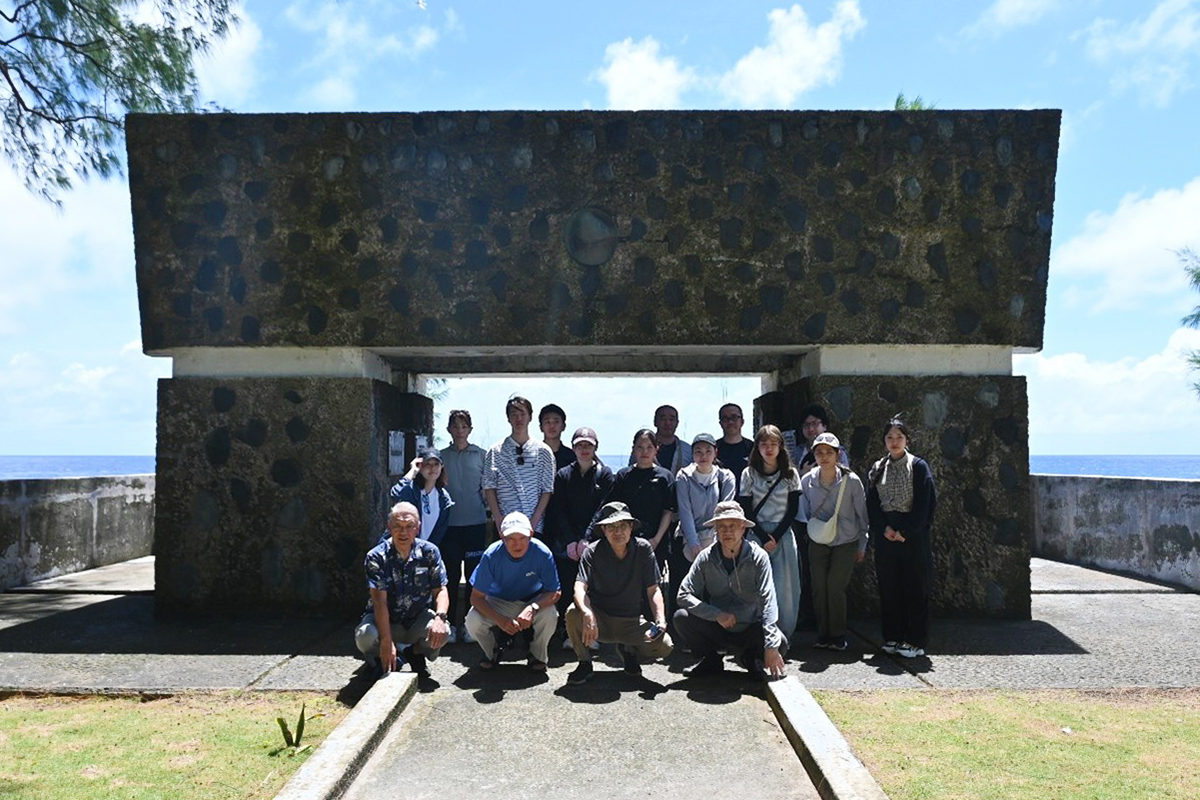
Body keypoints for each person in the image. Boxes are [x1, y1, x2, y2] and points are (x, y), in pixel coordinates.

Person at [674, 501, 786, 681]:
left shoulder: (759, 558)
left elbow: (768, 601)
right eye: (722, 526)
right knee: (681, 617)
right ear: (715, 530)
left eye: (733, 525)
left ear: (743, 528)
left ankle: (751, 659)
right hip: (717, 626)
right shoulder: (705, 557)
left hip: (750, 626)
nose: (727, 531)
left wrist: (771, 646)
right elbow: (684, 594)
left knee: (781, 644)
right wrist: (716, 614)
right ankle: (711, 660)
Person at [566, 502, 673, 684]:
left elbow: (653, 589)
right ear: (604, 530)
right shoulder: (592, 551)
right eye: (612, 527)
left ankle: (629, 652)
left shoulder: (643, 548)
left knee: (664, 646)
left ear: (631, 527)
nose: (618, 532)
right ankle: (584, 662)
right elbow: (579, 586)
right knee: (573, 613)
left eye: (623, 525)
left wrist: (660, 619)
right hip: (600, 619)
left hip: (631, 620)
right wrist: (587, 611)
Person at [866, 417, 937, 659]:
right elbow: (872, 502)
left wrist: (906, 532)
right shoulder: (878, 468)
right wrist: (883, 528)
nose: (894, 442)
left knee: (916, 588)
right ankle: (893, 637)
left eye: (899, 437)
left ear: (907, 439)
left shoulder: (918, 467)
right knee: (890, 588)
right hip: (886, 534)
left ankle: (915, 640)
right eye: (889, 437)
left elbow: (926, 505)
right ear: (884, 440)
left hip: (913, 536)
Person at [354, 502, 451, 679]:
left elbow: (441, 590)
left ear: (418, 527)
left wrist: (440, 618)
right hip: (386, 619)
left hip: (416, 619)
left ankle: (412, 653)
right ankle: (381, 659)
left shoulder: (429, 552)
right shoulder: (376, 557)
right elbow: (379, 601)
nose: (403, 532)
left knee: (443, 631)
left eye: (409, 526)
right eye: (397, 526)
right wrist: (386, 639)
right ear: (389, 527)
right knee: (365, 635)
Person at [798, 433, 868, 651]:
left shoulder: (852, 481)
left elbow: (862, 516)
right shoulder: (807, 480)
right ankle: (823, 634)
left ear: (838, 455)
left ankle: (837, 634)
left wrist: (863, 544)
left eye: (829, 452)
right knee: (819, 586)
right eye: (819, 452)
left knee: (835, 586)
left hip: (846, 540)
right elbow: (804, 511)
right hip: (818, 539)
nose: (824, 456)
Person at [464, 511, 561, 671]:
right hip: (498, 600)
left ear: (531, 534)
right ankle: (491, 652)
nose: (518, 544)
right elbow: (476, 598)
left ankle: (537, 655)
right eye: (511, 539)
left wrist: (533, 607)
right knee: (472, 620)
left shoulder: (543, 553)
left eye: (522, 538)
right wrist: (500, 620)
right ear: (502, 537)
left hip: (532, 599)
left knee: (550, 614)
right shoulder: (491, 555)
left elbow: (555, 592)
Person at [547, 426, 615, 638]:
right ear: (573, 448)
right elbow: (559, 509)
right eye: (579, 445)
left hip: (593, 541)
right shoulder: (563, 475)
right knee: (567, 585)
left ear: (596, 447)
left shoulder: (605, 475)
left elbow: (603, 508)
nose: (584, 449)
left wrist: (587, 538)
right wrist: (570, 540)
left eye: (589, 445)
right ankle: (567, 632)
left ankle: (595, 632)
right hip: (566, 543)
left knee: (594, 588)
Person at [738, 424, 802, 642]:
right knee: (756, 589)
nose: (769, 448)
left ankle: (784, 635)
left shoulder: (791, 474)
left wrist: (776, 536)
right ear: (757, 447)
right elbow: (746, 507)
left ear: (780, 447)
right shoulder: (749, 474)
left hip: (783, 534)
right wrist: (764, 537)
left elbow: (792, 508)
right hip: (757, 534)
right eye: (764, 444)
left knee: (786, 588)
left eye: (773, 444)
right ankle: (757, 636)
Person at [791, 403, 846, 632]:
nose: (811, 429)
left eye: (815, 424)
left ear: (825, 425)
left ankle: (831, 622)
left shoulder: (839, 451)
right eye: (806, 425)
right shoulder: (796, 452)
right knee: (806, 570)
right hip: (803, 518)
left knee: (831, 576)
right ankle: (808, 614)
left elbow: (842, 481)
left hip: (830, 520)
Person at [672, 433, 736, 622]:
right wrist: (694, 544)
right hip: (689, 540)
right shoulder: (684, 476)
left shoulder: (726, 477)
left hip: (717, 539)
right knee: (689, 590)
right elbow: (685, 512)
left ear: (715, 452)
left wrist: (714, 543)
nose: (703, 455)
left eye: (708, 450)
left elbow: (725, 512)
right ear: (692, 454)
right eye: (698, 451)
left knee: (716, 591)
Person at [438, 410, 488, 644]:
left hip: (476, 524)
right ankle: (448, 623)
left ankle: (469, 624)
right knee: (448, 576)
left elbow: (488, 490)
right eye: (455, 426)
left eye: (464, 426)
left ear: (470, 429)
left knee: (473, 578)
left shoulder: (481, 455)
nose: (460, 431)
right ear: (449, 429)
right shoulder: (440, 456)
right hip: (449, 526)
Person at [601, 428, 676, 571]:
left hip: (656, 540)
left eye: (649, 447)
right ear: (633, 449)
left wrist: (656, 540)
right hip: (626, 540)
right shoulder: (624, 475)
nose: (644, 452)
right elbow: (613, 508)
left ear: (656, 449)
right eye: (640, 447)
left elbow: (668, 511)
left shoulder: (665, 477)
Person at [483, 395, 555, 534]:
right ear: (508, 418)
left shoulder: (544, 451)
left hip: (534, 525)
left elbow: (547, 489)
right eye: (514, 414)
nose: (518, 419)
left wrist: (534, 522)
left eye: (522, 414)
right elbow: (489, 487)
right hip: (506, 525)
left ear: (530, 417)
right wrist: (498, 519)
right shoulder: (495, 451)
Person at [389, 447, 455, 547]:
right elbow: (395, 493)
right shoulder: (412, 490)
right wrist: (413, 471)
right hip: (400, 547)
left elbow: (439, 532)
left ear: (442, 467)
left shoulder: (444, 498)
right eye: (427, 464)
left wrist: (427, 552)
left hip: (422, 553)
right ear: (420, 467)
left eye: (436, 464)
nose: (432, 468)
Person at [630, 405, 692, 472]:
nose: (667, 423)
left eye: (671, 419)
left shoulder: (688, 450)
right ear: (655, 422)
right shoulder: (642, 449)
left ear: (677, 423)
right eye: (663, 419)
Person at [715, 403, 754, 491]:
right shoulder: (712, 450)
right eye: (725, 418)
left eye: (734, 417)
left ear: (742, 422)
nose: (730, 422)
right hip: (721, 502)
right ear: (720, 423)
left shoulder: (754, 448)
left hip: (749, 500)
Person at [539, 403, 576, 471]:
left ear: (563, 426)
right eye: (547, 422)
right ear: (541, 427)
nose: (552, 426)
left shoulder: (572, 457)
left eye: (556, 422)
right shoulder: (533, 455)